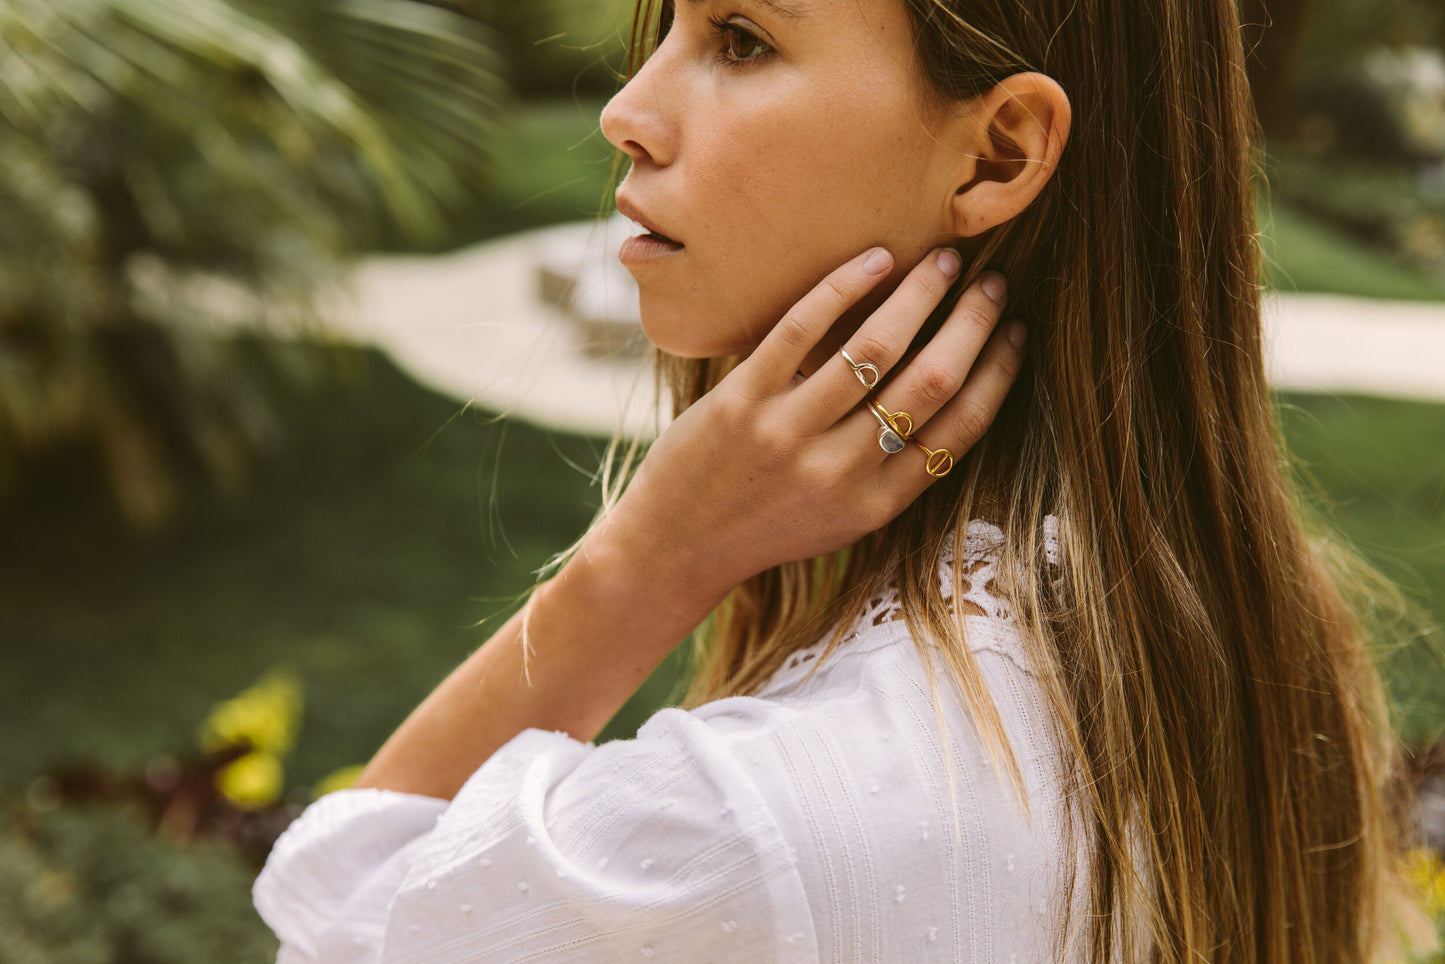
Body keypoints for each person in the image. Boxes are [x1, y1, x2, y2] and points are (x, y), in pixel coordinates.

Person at [254, 0, 1424, 960]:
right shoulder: (1244, 644)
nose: (626, 112)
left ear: (998, 150)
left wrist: (641, 567)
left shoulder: (745, 824)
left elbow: (336, 907)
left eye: (741, 39)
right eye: (664, 26)